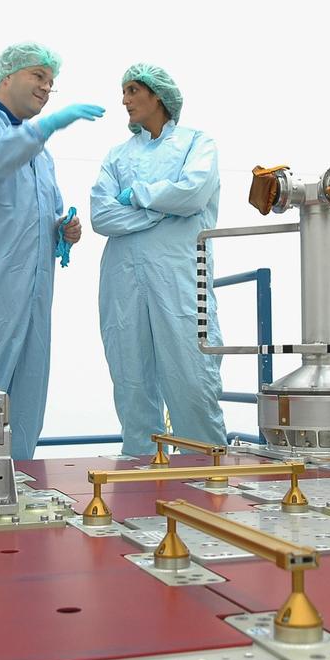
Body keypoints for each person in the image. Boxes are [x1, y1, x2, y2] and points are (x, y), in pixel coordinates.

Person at [0, 42, 104, 460]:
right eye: (38, 76)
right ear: (6, 77)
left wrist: (63, 230)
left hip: (31, 299)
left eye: (51, 82)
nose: (47, 87)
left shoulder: (40, 157)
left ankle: (18, 488)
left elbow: (43, 216)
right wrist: (44, 128)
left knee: (24, 407)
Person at [90, 63, 227, 456]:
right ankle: (141, 472)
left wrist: (135, 196)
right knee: (131, 381)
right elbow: (101, 215)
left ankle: (207, 474)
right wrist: (160, 211)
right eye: (124, 91)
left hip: (179, 278)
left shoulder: (196, 143)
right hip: (122, 280)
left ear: (158, 95)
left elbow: (193, 193)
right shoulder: (118, 156)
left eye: (133, 90)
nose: (124, 100)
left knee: (192, 378)